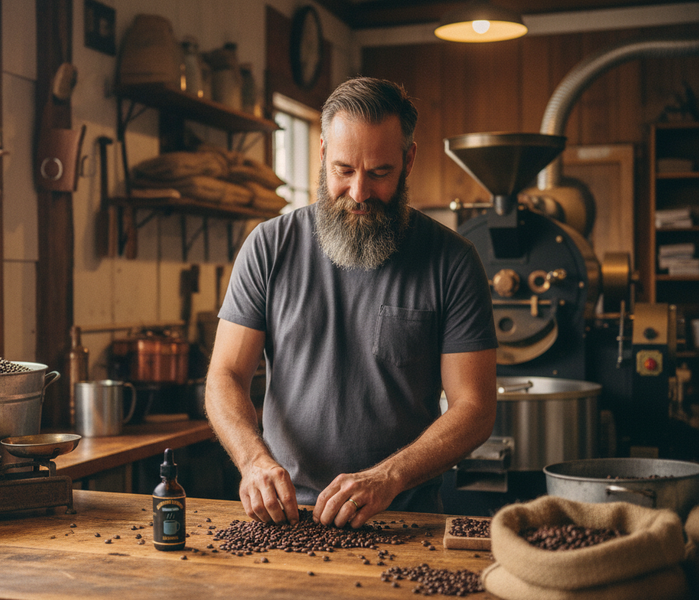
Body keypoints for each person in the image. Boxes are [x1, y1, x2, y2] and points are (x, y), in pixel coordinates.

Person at [205, 77, 498, 529]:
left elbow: (474, 408)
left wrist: (388, 477)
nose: (359, 192)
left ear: (408, 159)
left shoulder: (453, 261)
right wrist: (253, 462)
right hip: (285, 517)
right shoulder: (268, 246)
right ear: (322, 154)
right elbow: (224, 375)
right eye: (344, 170)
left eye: (379, 173)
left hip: (403, 514)